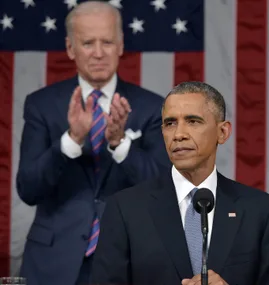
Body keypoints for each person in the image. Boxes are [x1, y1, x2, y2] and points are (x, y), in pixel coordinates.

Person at [16, 2, 171, 285]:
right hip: (54, 265)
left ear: (121, 45)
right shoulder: (41, 106)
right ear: (70, 47)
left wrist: (120, 143)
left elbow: (162, 189)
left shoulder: (152, 107)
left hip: (128, 264)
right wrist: (70, 141)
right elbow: (28, 188)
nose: (99, 53)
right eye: (88, 43)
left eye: (107, 42)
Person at [90, 81, 269, 285]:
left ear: (222, 133)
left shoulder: (260, 211)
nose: (179, 135)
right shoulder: (125, 209)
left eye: (193, 121)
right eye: (170, 123)